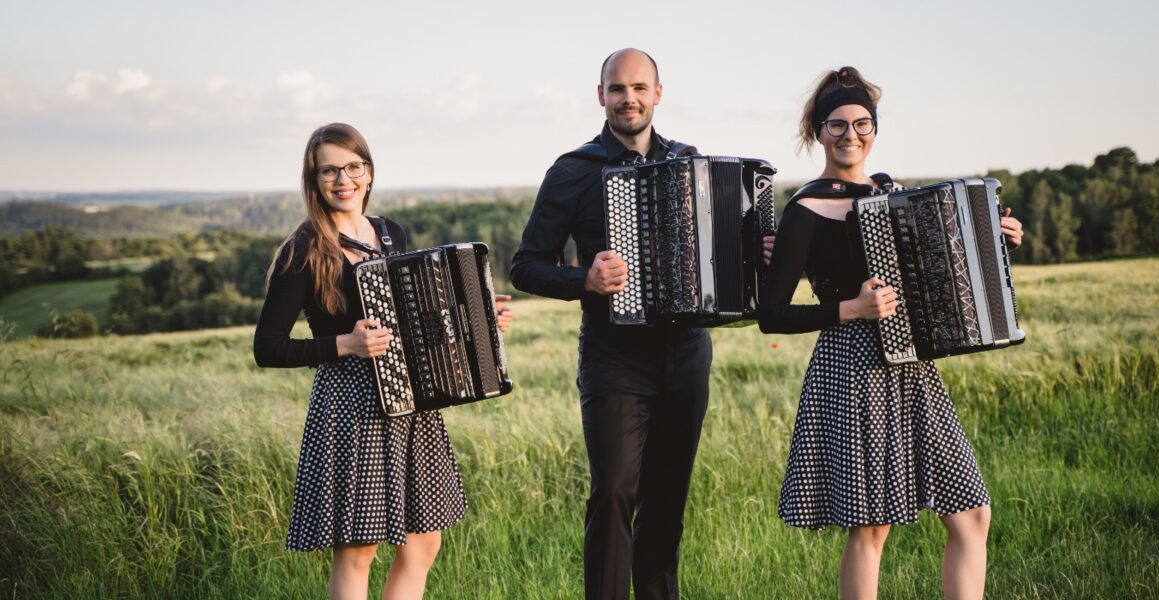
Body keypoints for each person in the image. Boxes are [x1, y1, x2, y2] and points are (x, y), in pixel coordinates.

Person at [756, 67, 1023, 600]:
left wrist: (996, 240)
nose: (850, 135)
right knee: (871, 526)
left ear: (874, 128)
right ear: (817, 131)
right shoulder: (805, 210)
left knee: (972, 513)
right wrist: (850, 308)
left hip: (912, 364)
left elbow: (940, 268)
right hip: (852, 366)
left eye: (862, 123)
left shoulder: (893, 193)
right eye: (836, 125)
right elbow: (772, 315)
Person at [254, 122, 513, 600]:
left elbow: (413, 317)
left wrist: (477, 313)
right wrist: (343, 345)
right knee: (358, 552)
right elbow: (267, 347)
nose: (342, 180)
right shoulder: (304, 249)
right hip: (352, 407)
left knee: (423, 542)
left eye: (353, 167)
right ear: (313, 181)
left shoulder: (391, 233)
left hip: (412, 402)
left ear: (369, 173)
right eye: (328, 171)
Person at [511, 48, 726, 600]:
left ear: (658, 93)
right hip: (615, 357)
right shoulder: (573, 171)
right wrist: (584, 278)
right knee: (613, 492)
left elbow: (719, 243)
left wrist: (756, 246)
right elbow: (526, 265)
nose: (627, 98)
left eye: (638, 88)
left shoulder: (689, 161)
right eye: (616, 89)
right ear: (600, 95)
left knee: (667, 498)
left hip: (685, 354)